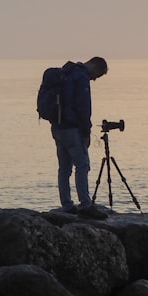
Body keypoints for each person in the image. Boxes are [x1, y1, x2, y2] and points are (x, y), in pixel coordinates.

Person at [51, 56, 108, 217]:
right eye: (98, 75)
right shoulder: (81, 77)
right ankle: (85, 205)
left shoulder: (67, 72)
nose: (95, 79)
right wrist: (86, 132)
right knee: (82, 165)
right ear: (95, 66)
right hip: (72, 128)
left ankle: (67, 205)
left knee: (64, 168)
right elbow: (83, 107)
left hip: (58, 127)